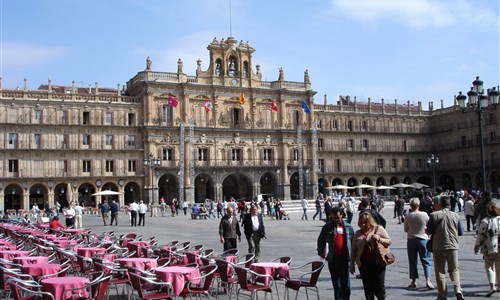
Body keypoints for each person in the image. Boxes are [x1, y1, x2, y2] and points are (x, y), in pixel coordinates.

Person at [426, 196, 465, 300]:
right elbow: (461, 232)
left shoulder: (434, 215)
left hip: (438, 246)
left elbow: (428, 231)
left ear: (440, 204)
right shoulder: (455, 216)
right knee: (454, 269)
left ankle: (442, 295)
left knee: (440, 272)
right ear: (450, 205)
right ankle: (458, 290)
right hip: (453, 246)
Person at [350, 211, 392, 300]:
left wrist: (379, 239)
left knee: (379, 286)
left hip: (378, 262)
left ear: (370, 221)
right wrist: (352, 264)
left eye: (365, 222)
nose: (363, 225)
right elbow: (353, 250)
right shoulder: (357, 233)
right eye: (361, 222)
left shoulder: (378, 229)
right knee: (367, 287)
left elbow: (389, 241)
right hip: (364, 264)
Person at [317, 206, 354, 300]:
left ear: (341, 215)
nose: (335, 220)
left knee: (346, 285)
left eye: (337, 217)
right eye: (333, 218)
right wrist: (321, 251)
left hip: (345, 258)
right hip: (332, 259)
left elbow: (353, 241)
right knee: (337, 285)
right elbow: (321, 240)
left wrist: (354, 257)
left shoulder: (348, 227)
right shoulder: (327, 227)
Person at [404, 197, 434, 290]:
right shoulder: (424, 214)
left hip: (411, 240)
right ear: (418, 205)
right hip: (423, 240)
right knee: (426, 260)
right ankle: (428, 280)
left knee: (413, 261)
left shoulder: (408, 216)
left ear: (410, 205)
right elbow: (429, 226)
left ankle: (413, 281)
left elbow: (406, 229)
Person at [474, 202, 500, 297]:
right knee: (499, 266)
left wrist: (477, 246)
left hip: (489, 246)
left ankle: (492, 286)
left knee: (489, 266)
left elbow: (480, 235)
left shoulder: (485, 221)